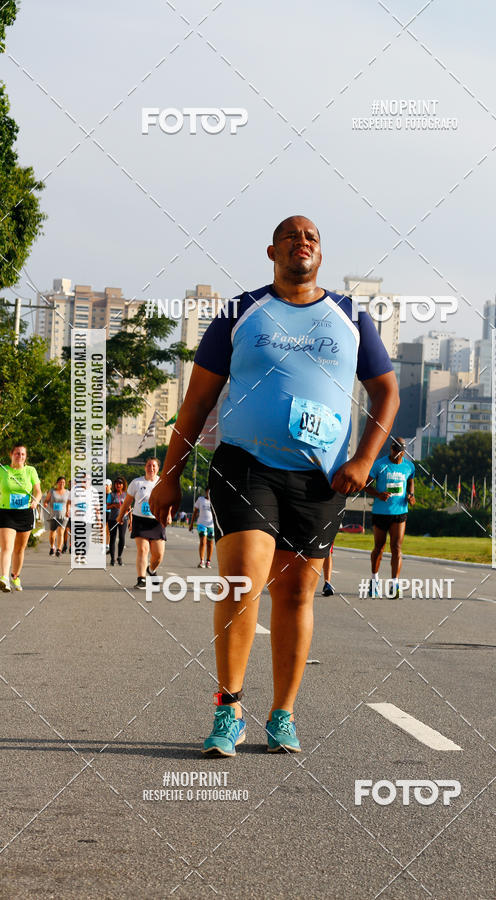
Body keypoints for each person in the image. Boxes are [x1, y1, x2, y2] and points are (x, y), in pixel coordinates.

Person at [150, 214, 399, 757]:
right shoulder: (241, 313)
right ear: (272, 251)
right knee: (242, 579)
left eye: (311, 237)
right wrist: (168, 478)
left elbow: (387, 395)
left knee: (294, 592)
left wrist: (364, 461)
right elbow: (196, 403)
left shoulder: (350, 316)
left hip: (322, 475)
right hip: (246, 464)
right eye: (291, 236)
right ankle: (229, 708)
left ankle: (282, 713)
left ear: (320, 253)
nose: (301, 243)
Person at [364, 437, 415, 598]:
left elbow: (411, 481)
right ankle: (374, 580)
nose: (398, 455)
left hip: (399, 512)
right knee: (379, 547)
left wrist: (411, 495)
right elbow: (365, 485)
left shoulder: (409, 466)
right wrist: (379, 494)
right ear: (391, 449)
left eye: (401, 453)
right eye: (396, 451)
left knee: (396, 547)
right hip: (380, 513)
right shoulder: (379, 465)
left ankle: (394, 584)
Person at [117, 458, 167, 590]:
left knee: (158, 555)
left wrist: (168, 515)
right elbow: (127, 502)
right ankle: (141, 579)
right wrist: (120, 516)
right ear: (145, 467)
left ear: (158, 468)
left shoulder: (163, 483)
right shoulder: (137, 483)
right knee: (143, 549)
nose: (151, 468)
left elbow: (169, 502)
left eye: (154, 466)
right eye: (149, 465)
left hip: (157, 521)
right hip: (140, 520)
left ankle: (151, 570)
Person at [0, 443, 42, 592]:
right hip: (6, 513)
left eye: (23, 454)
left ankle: (15, 576)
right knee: (7, 547)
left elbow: (38, 491)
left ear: (26, 457)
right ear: (11, 454)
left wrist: (35, 501)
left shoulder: (30, 471)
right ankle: (4, 578)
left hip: (25, 513)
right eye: (17, 453)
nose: (20, 456)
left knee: (19, 549)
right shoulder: (3, 470)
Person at [43, 476, 70, 558]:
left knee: (61, 532)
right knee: (52, 533)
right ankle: (52, 547)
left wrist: (68, 511)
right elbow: (46, 500)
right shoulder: (52, 491)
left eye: (63, 482)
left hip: (63, 516)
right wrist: (46, 503)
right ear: (57, 483)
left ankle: (59, 549)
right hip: (53, 515)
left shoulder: (67, 492)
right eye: (60, 482)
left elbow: (69, 503)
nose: (62, 484)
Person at [189, 487, 214, 568]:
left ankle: (208, 561)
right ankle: (201, 561)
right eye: (208, 492)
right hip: (201, 524)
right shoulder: (200, 499)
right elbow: (195, 512)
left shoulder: (215, 501)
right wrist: (191, 524)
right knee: (203, 542)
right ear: (206, 492)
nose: (209, 494)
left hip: (211, 525)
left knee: (210, 543)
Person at [107, 477, 129, 566]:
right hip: (113, 519)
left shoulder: (126, 495)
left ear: (123, 485)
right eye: (116, 483)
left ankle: (119, 557)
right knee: (112, 538)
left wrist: (130, 520)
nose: (118, 485)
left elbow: (129, 508)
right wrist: (113, 505)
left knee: (122, 537)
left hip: (123, 519)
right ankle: (112, 559)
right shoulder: (111, 495)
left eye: (120, 483)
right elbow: (107, 507)